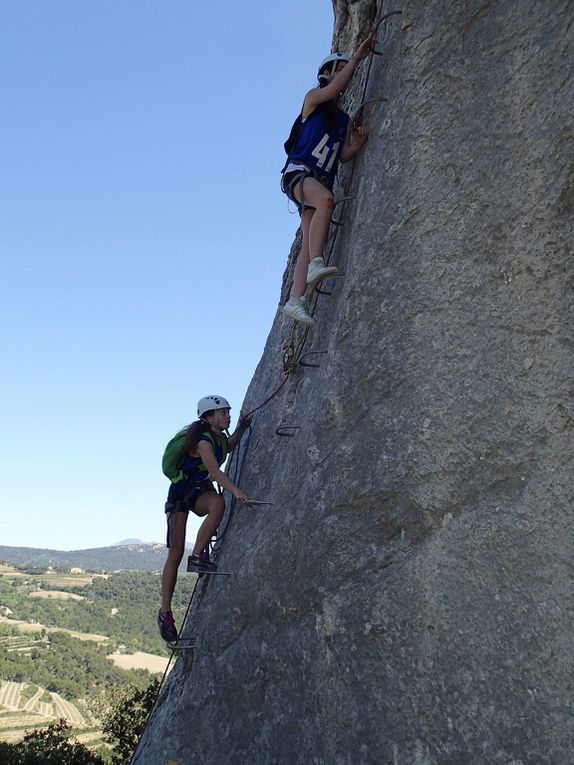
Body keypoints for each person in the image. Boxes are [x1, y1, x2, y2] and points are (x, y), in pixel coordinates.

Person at [280, 37, 375, 326]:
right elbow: (336, 88)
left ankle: (295, 300)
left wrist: (356, 145)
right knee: (325, 200)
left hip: (317, 177)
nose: (346, 72)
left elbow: (340, 155)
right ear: (328, 72)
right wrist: (357, 60)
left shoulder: (342, 119)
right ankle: (317, 265)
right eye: (341, 68)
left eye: (347, 67)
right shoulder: (312, 100)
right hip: (300, 173)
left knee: (308, 241)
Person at [157, 395, 250, 643]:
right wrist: (237, 491)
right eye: (223, 413)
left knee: (217, 504)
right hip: (180, 493)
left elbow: (228, 447)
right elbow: (215, 471)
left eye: (228, 412)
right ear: (209, 418)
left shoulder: (217, 439)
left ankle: (198, 555)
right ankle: (165, 611)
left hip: (197, 490)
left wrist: (241, 426)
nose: (227, 416)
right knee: (175, 553)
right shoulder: (202, 443)